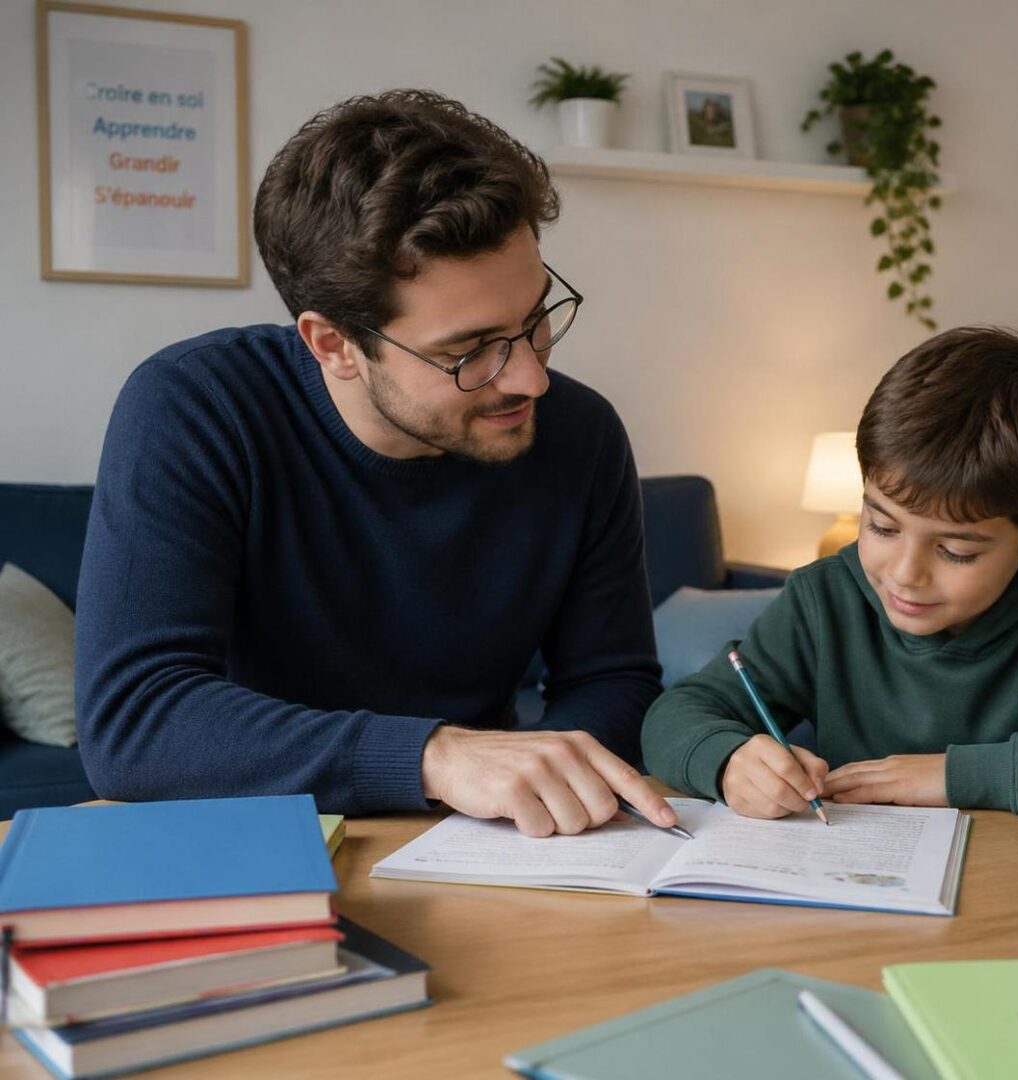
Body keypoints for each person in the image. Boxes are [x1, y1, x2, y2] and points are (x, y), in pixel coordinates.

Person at [75, 89, 681, 838]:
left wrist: (550, 779)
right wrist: (434, 756)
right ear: (332, 344)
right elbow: (136, 720)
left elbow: (612, 679)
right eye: (469, 351)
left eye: (536, 321)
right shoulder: (196, 408)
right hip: (256, 838)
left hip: (484, 841)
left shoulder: (581, 435)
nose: (530, 378)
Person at [641, 326, 1018, 818]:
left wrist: (959, 774)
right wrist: (727, 760)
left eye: (956, 552)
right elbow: (676, 714)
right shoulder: (826, 598)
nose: (904, 575)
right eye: (881, 526)